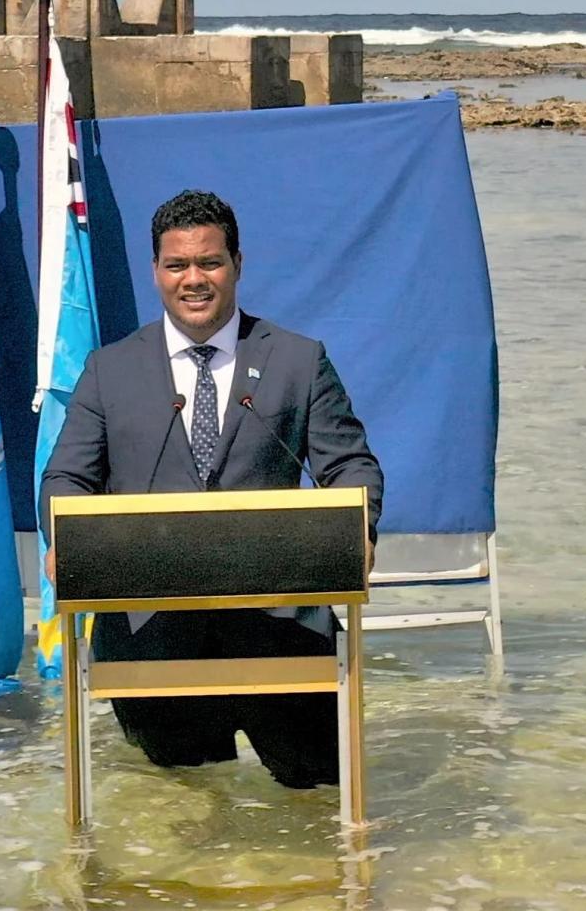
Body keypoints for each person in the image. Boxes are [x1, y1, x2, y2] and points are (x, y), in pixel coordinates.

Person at [39, 188, 383, 788]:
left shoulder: (298, 362)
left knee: (319, 807)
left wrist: (358, 533)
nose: (193, 279)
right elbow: (67, 477)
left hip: (282, 633)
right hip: (153, 637)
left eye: (209, 262)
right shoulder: (108, 370)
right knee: (183, 815)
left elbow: (352, 468)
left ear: (237, 265)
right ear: (156, 272)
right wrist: (64, 537)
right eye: (177, 265)